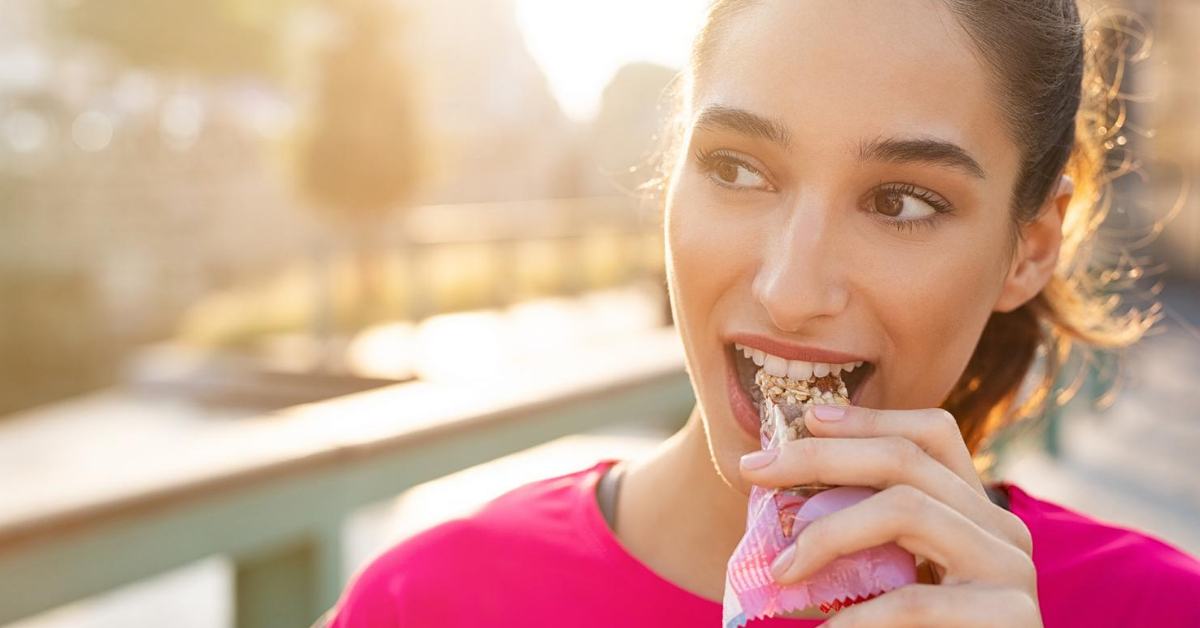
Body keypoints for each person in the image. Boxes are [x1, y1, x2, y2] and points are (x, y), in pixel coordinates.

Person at [323, 0, 1200, 625]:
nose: (788, 286)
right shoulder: (427, 605)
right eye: (739, 169)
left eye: (900, 201)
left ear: (1032, 246)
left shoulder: (1159, 611)